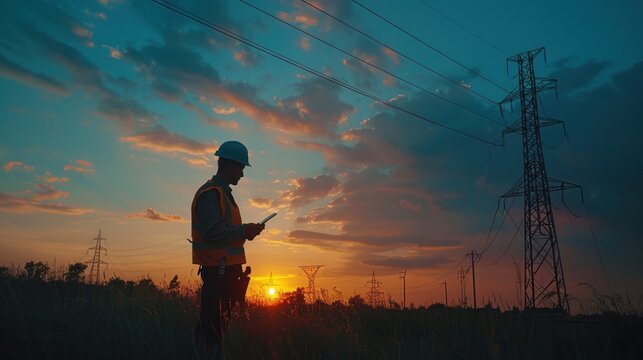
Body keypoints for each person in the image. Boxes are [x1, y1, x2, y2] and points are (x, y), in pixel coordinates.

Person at [191, 140, 264, 353]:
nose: (242, 174)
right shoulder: (211, 193)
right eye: (241, 167)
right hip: (218, 272)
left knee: (216, 328)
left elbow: (225, 232)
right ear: (228, 165)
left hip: (227, 271)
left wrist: (246, 232)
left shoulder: (223, 194)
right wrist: (243, 230)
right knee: (211, 329)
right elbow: (212, 232)